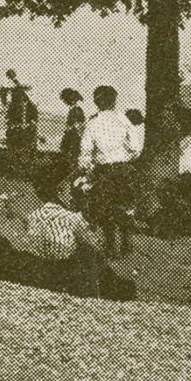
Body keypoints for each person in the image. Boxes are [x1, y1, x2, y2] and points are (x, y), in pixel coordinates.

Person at [78, 85, 142, 257]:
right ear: (114, 100)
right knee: (124, 206)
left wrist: (86, 169)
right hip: (123, 169)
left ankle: (110, 246)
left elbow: (85, 153)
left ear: (96, 102)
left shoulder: (92, 123)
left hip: (104, 171)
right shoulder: (124, 120)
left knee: (105, 209)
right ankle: (127, 244)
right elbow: (136, 149)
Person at [2, 71, 38, 156]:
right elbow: (9, 120)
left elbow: (33, 117)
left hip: (25, 133)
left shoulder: (29, 106)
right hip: (16, 132)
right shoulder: (13, 106)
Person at [58, 89, 87, 171]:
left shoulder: (76, 110)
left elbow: (79, 125)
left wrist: (70, 129)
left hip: (74, 137)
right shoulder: (75, 110)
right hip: (73, 136)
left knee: (72, 156)